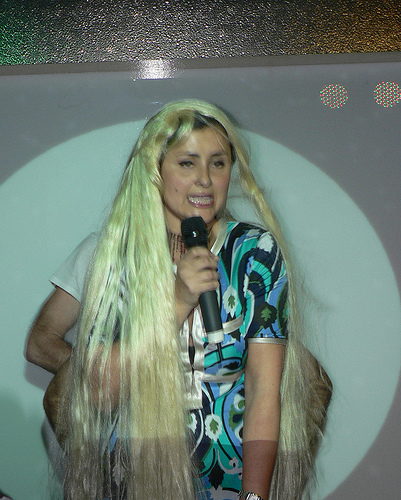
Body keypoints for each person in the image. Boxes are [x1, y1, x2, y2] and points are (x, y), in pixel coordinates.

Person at [25, 99, 331, 500]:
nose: (204, 179)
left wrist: (255, 496)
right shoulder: (110, 256)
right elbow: (93, 390)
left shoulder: (255, 252)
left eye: (218, 163)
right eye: (187, 163)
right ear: (154, 171)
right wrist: (176, 302)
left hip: (232, 472)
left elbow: (263, 388)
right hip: (137, 472)